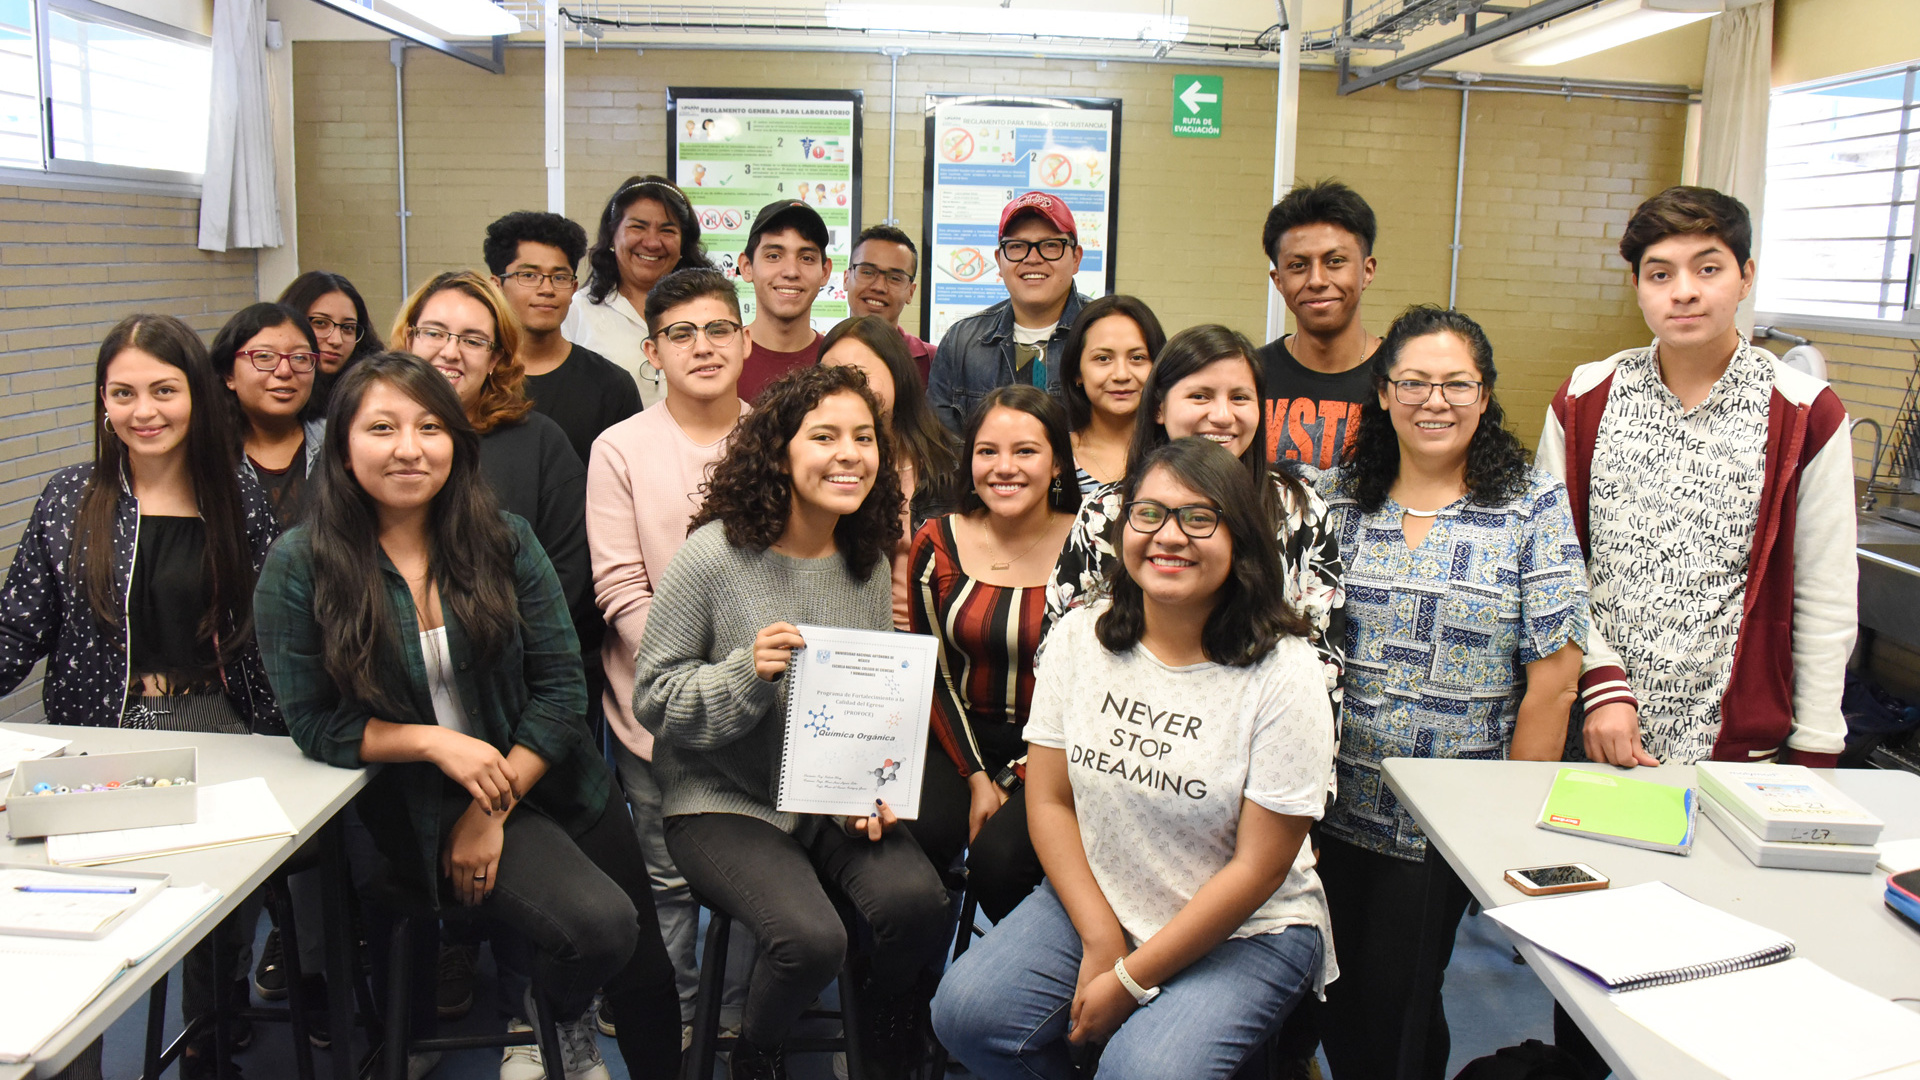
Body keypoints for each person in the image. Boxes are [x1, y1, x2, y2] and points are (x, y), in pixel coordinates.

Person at [253, 353, 681, 1080]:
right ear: (343, 445)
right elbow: (315, 723)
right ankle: (558, 1012)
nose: (409, 448)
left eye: (429, 426)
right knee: (599, 928)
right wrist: (433, 744)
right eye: (382, 427)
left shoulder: (502, 539)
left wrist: (495, 804)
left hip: (547, 772)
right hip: (424, 804)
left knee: (642, 965)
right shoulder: (303, 563)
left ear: (457, 440)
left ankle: (587, 1033)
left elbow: (560, 688)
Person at [932, 436, 1338, 1080]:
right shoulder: (1080, 639)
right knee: (966, 1016)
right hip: (1110, 898)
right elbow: (1049, 799)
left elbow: (1260, 868)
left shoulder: (1285, 673)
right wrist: (1100, 938)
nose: (1168, 535)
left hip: (1248, 930)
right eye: (1148, 514)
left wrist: (1127, 977)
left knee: (1142, 1071)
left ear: (1241, 539)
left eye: (1199, 518)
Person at [631, 364, 951, 1080]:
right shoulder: (712, 556)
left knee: (920, 906)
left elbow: (863, 711)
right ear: (779, 452)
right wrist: (749, 671)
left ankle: (880, 1021)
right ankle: (759, 1052)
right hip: (720, 799)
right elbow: (653, 698)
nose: (850, 454)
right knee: (808, 940)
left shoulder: (864, 561)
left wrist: (871, 792)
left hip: (825, 799)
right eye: (825, 436)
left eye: (864, 438)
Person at [0, 313, 283, 1080]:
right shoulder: (70, 498)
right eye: (123, 393)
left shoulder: (237, 495)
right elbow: (18, 624)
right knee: (80, 916)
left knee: (215, 901)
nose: (143, 410)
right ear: (102, 402)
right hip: (104, 733)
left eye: (163, 389)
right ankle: (70, 1057)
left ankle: (209, 1025)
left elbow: (269, 630)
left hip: (220, 728)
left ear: (196, 393)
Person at [1314, 305, 1589, 1080]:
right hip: (1329, 803)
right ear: (1382, 392)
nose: (1435, 402)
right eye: (1414, 383)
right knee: (1332, 994)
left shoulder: (1528, 505)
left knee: (1398, 998)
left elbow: (1556, 674)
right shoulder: (1335, 499)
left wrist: (1507, 825)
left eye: (1456, 385)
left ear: (1485, 394)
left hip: (1443, 822)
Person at [1539, 185, 1856, 772]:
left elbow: (1825, 591)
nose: (1683, 291)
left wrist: (1816, 745)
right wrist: (1601, 681)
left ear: (1746, 275)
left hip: (1737, 748)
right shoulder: (1586, 398)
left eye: (1708, 268)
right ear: (1636, 285)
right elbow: (1552, 568)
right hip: (1595, 727)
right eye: (1659, 275)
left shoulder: (1805, 412)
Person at [585, 267, 754, 1043]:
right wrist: (697, 686)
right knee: (669, 879)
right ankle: (679, 1021)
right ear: (652, 352)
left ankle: (739, 1020)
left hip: (765, 711)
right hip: (655, 714)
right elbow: (621, 590)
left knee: (756, 880)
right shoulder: (619, 448)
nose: (703, 346)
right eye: (681, 333)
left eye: (719, 328)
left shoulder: (780, 439)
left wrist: (742, 686)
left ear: (746, 340)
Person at [1049, 326, 1344, 706]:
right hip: (1122, 734)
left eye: (1240, 397)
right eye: (1200, 396)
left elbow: (1322, 664)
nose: (1222, 416)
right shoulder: (1105, 514)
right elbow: (1062, 654)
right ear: (1158, 407)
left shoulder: (1297, 510)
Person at [907, 385, 1078, 924]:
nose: (1004, 467)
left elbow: (1096, 688)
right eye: (987, 451)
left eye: (1026, 451)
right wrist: (980, 777)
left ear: (1056, 464)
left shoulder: (1091, 546)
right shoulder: (936, 542)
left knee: (999, 862)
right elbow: (932, 672)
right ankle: (905, 991)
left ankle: (1032, 989)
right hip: (958, 732)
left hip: (1058, 747)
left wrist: (1014, 779)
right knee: (915, 833)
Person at [391, 271, 593, 658]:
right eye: (434, 333)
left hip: (511, 665)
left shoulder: (540, 443)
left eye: (472, 340)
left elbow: (565, 576)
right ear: (409, 338)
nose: (450, 352)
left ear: (495, 358)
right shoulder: (366, 436)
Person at [818, 314, 959, 629]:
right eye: (831, 376)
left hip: (940, 642)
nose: (846, 390)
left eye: (859, 374)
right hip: (849, 637)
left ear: (898, 375)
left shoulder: (953, 463)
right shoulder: (816, 465)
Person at [485, 210, 643, 465]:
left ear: (572, 288)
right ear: (496, 285)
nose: (546, 289)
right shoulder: (476, 376)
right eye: (529, 276)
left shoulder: (611, 385)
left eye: (559, 277)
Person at [929, 191, 1090, 433]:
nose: (1033, 258)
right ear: (999, 260)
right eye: (1016, 246)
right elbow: (939, 445)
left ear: (1076, 258)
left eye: (1050, 245)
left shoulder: (1103, 331)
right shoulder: (961, 343)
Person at [1257, 181, 1381, 470]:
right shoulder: (1250, 376)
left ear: (1367, 271)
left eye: (1335, 261)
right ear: (1279, 281)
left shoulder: (1402, 379)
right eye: (1298, 266)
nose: (1317, 280)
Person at [565, 175, 714, 406]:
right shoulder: (577, 311)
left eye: (667, 230)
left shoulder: (710, 309)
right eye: (637, 227)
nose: (652, 243)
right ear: (612, 236)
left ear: (684, 243)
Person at [210, 302, 327, 529]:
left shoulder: (338, 440)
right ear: (228, 374)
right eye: (264, 356)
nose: (284, 371)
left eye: (300, 358)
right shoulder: (207, 451)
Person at [1058, 295, 1165, 496]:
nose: (1121, 375)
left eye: (1137, 358)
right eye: (1103, 358)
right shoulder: (1054, 456)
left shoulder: (1177, 452)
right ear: (1077, 372)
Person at [737, 199, 832, 402]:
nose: (791, 272)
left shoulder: (835, 362)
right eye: (773, 256)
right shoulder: (721, 358)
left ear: (825, 272)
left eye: (806, 258)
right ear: (747, 266)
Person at [278, 270, 384, 413]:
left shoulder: (374, 393)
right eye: (320, 323)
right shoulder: (270, 390)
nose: (336, 340)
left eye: (348, 328)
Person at [842, 224, 935, 383]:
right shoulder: (823, 354)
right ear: (846, 279)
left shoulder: (933, 362)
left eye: (894, 278)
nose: (879, 287)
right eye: (867, 272)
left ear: (910, 292)